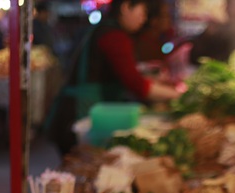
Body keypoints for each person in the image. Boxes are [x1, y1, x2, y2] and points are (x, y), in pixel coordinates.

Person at [46, 0, 183, 154]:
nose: (144, 19)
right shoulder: (114, 36)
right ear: (126, 7)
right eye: (142, 12)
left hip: (76, 112)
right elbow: (136, 84)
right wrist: (178, 95)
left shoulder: (104, 29)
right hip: (78, 116)